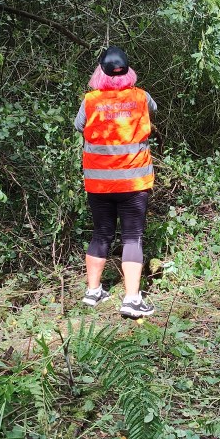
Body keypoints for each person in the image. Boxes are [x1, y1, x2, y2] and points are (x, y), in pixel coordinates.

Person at [74, 46, 156, 318]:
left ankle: (93, 292)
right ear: (128, 71)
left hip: (99, 183)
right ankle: (132, 300)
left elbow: (79, 125)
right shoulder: (141, 97)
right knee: (132, 237)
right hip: (133, 182)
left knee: (101, 233)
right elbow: (152, 111)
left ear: (101, 72)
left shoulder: (90, 101)